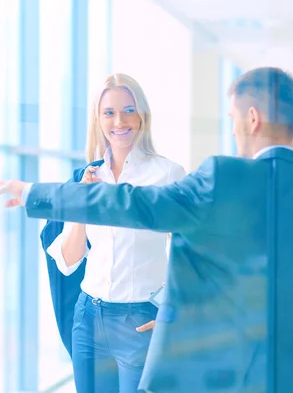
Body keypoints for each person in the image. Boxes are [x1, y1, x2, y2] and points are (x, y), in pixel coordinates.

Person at [0, 67, 293, 392]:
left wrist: (32, 193)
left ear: (252, 118)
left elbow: (132, 204)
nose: (235, 132)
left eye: (234, 121)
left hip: (224, 368)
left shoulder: (222, 177)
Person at [39, 73, 186, 393]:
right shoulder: (88, 176)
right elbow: (67, 261)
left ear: (142, 115)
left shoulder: (167, 174)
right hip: (88, 318)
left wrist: (172, 312)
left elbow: (186, 254)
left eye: (128, 110)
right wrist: (82, 205)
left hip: (140, 320)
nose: (119, 120)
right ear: (98, 119)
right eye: (109, 112)